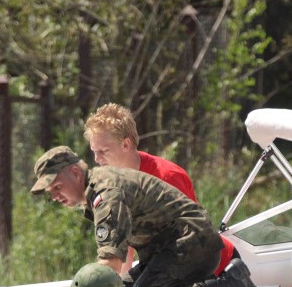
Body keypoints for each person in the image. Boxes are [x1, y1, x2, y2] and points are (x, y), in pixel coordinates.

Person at [31, 146, 262, 287]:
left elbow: (110, 263)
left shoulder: (106, 192)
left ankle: (229, 285)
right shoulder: (96, 187)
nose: (53, 196)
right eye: (50, 192)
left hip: (192, 245)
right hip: (167, 251)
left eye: (56, 187)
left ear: (75, 173)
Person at [83, 102, 237, 276]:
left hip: (216, 268)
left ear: (126, 144)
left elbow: (193, 241)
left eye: (103, 151)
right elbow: (124, 247)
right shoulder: (115, 184)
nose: (97, 159)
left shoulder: (167, 177)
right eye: (94, 151)